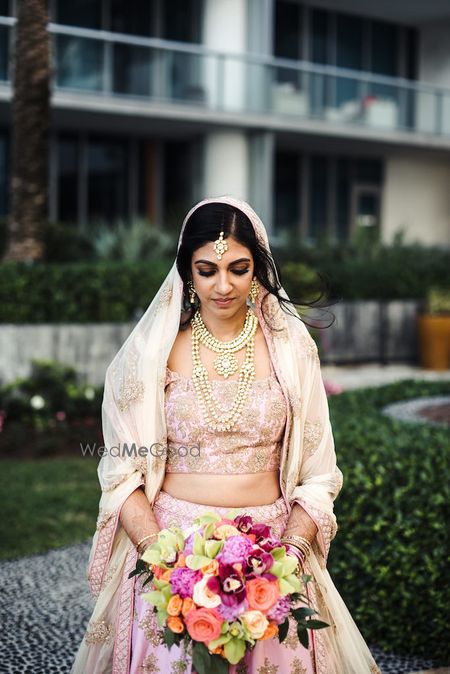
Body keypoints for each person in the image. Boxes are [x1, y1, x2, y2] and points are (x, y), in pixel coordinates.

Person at [70, 196, 381, 674]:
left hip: (271, 558)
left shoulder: (291, 350)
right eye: (207, 269)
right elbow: (121, 471)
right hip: (171, 553)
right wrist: (166, 565)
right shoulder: (152, 355)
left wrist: (291, 554)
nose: (223, 285)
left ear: (258, 268)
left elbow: (319, 473)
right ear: (186, 271)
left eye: (238, 268)